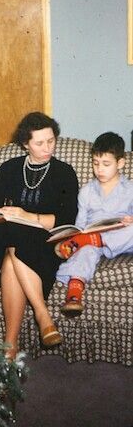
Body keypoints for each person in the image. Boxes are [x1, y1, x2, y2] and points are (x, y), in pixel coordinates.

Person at [0, 112, 79, 358]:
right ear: (25, 144)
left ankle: (11, 344)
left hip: (45, 242)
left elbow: (66, 220)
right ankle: (42, 316)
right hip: (8, 238)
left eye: (51, 141)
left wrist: (26, 215)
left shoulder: (64, 172)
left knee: (12, 251)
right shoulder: (8, 169)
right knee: (11, 242)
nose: (47, 147)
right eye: (40, 143)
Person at [55, 132, 133, 316]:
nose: (100, 169)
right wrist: (76, 235)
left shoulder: (130, 189)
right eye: (95, 163)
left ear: (120, 163)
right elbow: (80, 225)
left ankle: (92, 239)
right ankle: (74, 295)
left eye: (106, 164)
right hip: (91, 237)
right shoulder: (87, 191)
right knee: (86, 249)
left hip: (121, 238)